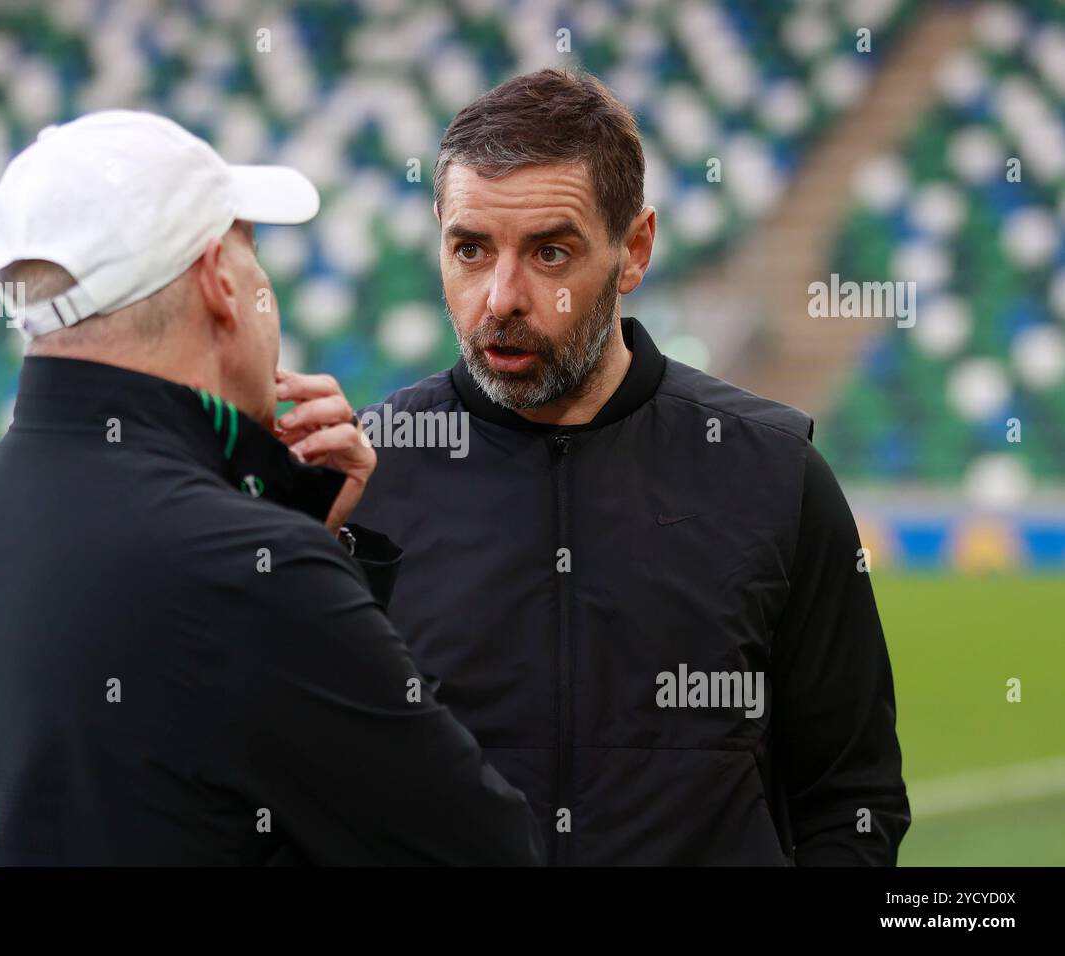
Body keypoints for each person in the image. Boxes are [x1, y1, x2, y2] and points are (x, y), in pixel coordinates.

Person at [0, 110, 543, 866]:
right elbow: (487, 850)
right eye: (253, 255)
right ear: (217, 283)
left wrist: (300, 535)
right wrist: (307, 562)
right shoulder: (247, 570)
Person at [348, 69, 910, 865]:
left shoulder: (776, 476)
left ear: (634, 249)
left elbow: (852, 801)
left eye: (550, 252)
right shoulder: (365, 482)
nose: (501, 297)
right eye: (470, 249)